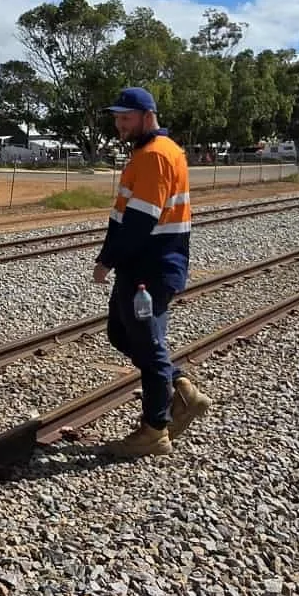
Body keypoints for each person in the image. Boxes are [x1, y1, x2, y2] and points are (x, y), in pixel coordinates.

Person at [91, 87, 213, 457]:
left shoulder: (156, 156)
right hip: (144, 265)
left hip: (150, 266)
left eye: (125, 118)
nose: (119, 125)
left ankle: (155, 430)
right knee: (120, 332)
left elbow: (140, 220)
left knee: (148, 345)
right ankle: (182, 389)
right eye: (116, 118)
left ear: (147, 116)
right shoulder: (152, 152)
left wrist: (106, 260)